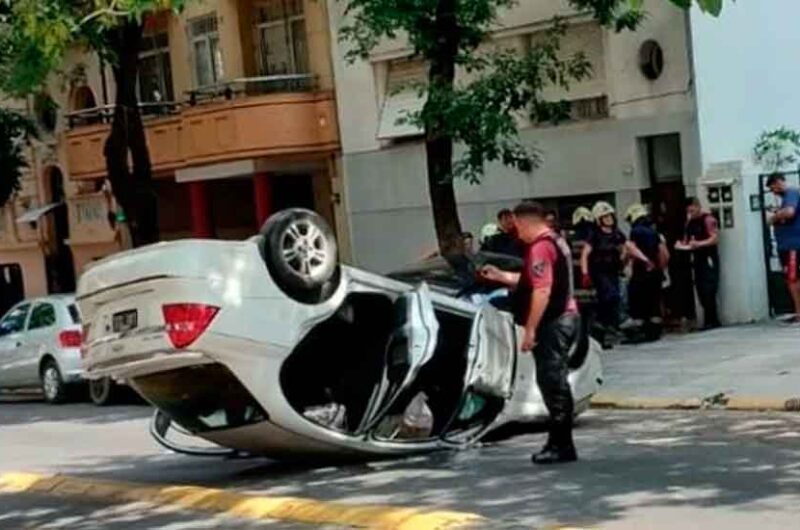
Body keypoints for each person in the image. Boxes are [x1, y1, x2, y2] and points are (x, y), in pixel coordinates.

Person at [479, 201, 579, 465]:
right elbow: (530, 281)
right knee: (553, 382)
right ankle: (559, 442)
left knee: (553, 383)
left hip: (554, 322)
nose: (516, 233)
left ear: (524, 222)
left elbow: (542, 290)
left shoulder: (540, 247)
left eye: (517, 226)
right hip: (564, 318)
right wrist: (501, 275)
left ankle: (561, 445)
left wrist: (531, 329)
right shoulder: (555, 241)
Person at [580, 201, 653, 348]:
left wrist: (645, 259)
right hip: (599, 272)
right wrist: (585, 273)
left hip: (613, 271)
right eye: (604, 217)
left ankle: (605, 327)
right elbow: (585, 254)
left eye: (610, 216)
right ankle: (609, 325)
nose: (609, 219)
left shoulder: (617, 233)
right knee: (611, 296)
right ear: (598, 219)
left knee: (615, 298)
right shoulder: (594, 235)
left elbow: (629, 247)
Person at [623, 204, 670, 341]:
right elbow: (665, 254)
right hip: (655, 274)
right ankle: (654, 333)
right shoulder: (654, 232)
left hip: (640, 273)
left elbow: (631, 251)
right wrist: (659, 269)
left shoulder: (635, 232)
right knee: (654, 303)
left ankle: (640, 333)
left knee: (638, 303)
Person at [675, 197, 721, 330]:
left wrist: (699, 244)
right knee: (700, 289)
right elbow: (686, 240)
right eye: (689, 211)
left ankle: (712, 320)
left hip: (708, 257)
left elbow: (715, 238)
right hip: (696, 258)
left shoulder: (708, 219)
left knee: (709, 288)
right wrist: (681, 244)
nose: (691, 213)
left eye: (692, 210)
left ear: (698, 206)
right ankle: (708, 320)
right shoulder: (689, 223)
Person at [766, 174, 800, 322]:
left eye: (773, 187)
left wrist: (774, 217)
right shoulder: (786, 199)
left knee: (793, 279)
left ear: (779, 182)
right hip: (787, 244)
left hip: (792, 244)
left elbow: (790, 212)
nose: (773, 191)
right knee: (791, 278)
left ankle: (799, 313)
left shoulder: (791, 193)